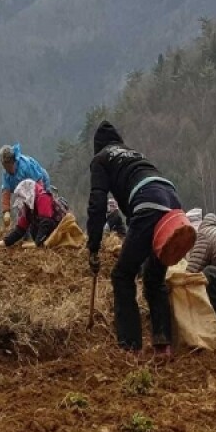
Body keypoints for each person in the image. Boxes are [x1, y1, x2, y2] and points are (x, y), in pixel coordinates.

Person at [86, 121, 185, 356]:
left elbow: (97, 203)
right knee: (153, 276)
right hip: (173, 206)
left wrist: (93, 245)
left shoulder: (100, 159)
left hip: (147, 203)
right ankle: (163, 344)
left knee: (122, 275)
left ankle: (130, 348)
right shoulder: (134, 155)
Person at [0, 179, 65, 249]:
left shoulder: (43, 197)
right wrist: (5, 242)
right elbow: (20, 229)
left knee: (44, 222)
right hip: (43, 234)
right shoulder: (28, 207)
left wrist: (37, 243)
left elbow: (46, 222)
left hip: (56, 230)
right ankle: (41, 244)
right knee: (32, 226)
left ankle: (42, 244)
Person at [0, 144, 51, 229]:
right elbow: (6, 191)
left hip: (40, 183)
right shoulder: (6, 174)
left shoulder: (26, 166)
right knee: (24, 211)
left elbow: (39, 184)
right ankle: (25, 232)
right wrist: (6, 212)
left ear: (12, 162)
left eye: (6, 166)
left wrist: (34, 204)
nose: (5, 169)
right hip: (24, 191)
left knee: (42, 209)